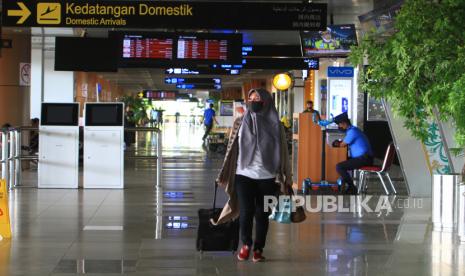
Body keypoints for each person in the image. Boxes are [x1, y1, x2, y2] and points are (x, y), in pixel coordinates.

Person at [212, 88, 293, 263]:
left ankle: (258, 248)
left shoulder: (276, 124)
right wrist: (224, 172)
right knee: (246, 211)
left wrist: (287, 177)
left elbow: (284, 153)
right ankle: (246, 244)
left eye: (258, 98)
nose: (254, 100)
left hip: (268, 176)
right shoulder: (240, 122)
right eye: (251, 98)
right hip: (243, 174)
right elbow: (231, 150)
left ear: (266, 101)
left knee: (262, 214)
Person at [332, 112, 373, 195]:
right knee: (343, 162)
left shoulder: (352, 131)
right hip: (363, 158)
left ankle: (352, 187)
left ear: (344, 123)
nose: (339, 127)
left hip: (364, 158)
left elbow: (342, 145)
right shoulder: (353, 130)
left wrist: (337, 143)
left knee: (339, 167)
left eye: (339, 125)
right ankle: (345, 186)